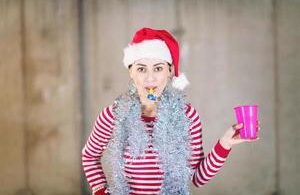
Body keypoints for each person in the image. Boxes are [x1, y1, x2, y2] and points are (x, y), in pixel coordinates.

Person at [82, 27, 260, 195]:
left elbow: (198, 178)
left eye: (158, 68)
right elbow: (89, 156)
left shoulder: (187, 116)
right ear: (131, 72)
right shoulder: (113, 115)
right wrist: (100, 192)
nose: (150, 78)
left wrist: (225, 143)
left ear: (169, 72)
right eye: (141, 69)